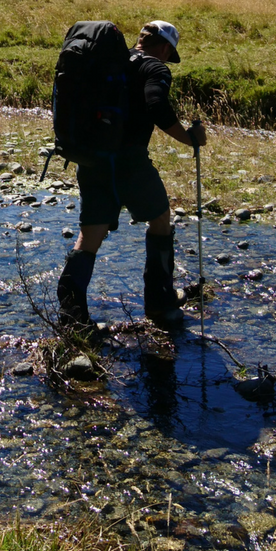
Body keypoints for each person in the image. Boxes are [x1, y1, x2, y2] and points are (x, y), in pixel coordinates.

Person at [56, 21, 207, 333]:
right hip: (129, 162)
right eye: (169, 54)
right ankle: (160, 303)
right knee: (161, 220)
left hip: (93, 159)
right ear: (165, 47)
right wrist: (190, 139)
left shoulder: (110, 61)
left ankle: (72, 318)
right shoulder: (156, 69)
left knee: (91, 235)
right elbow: (157, 106)